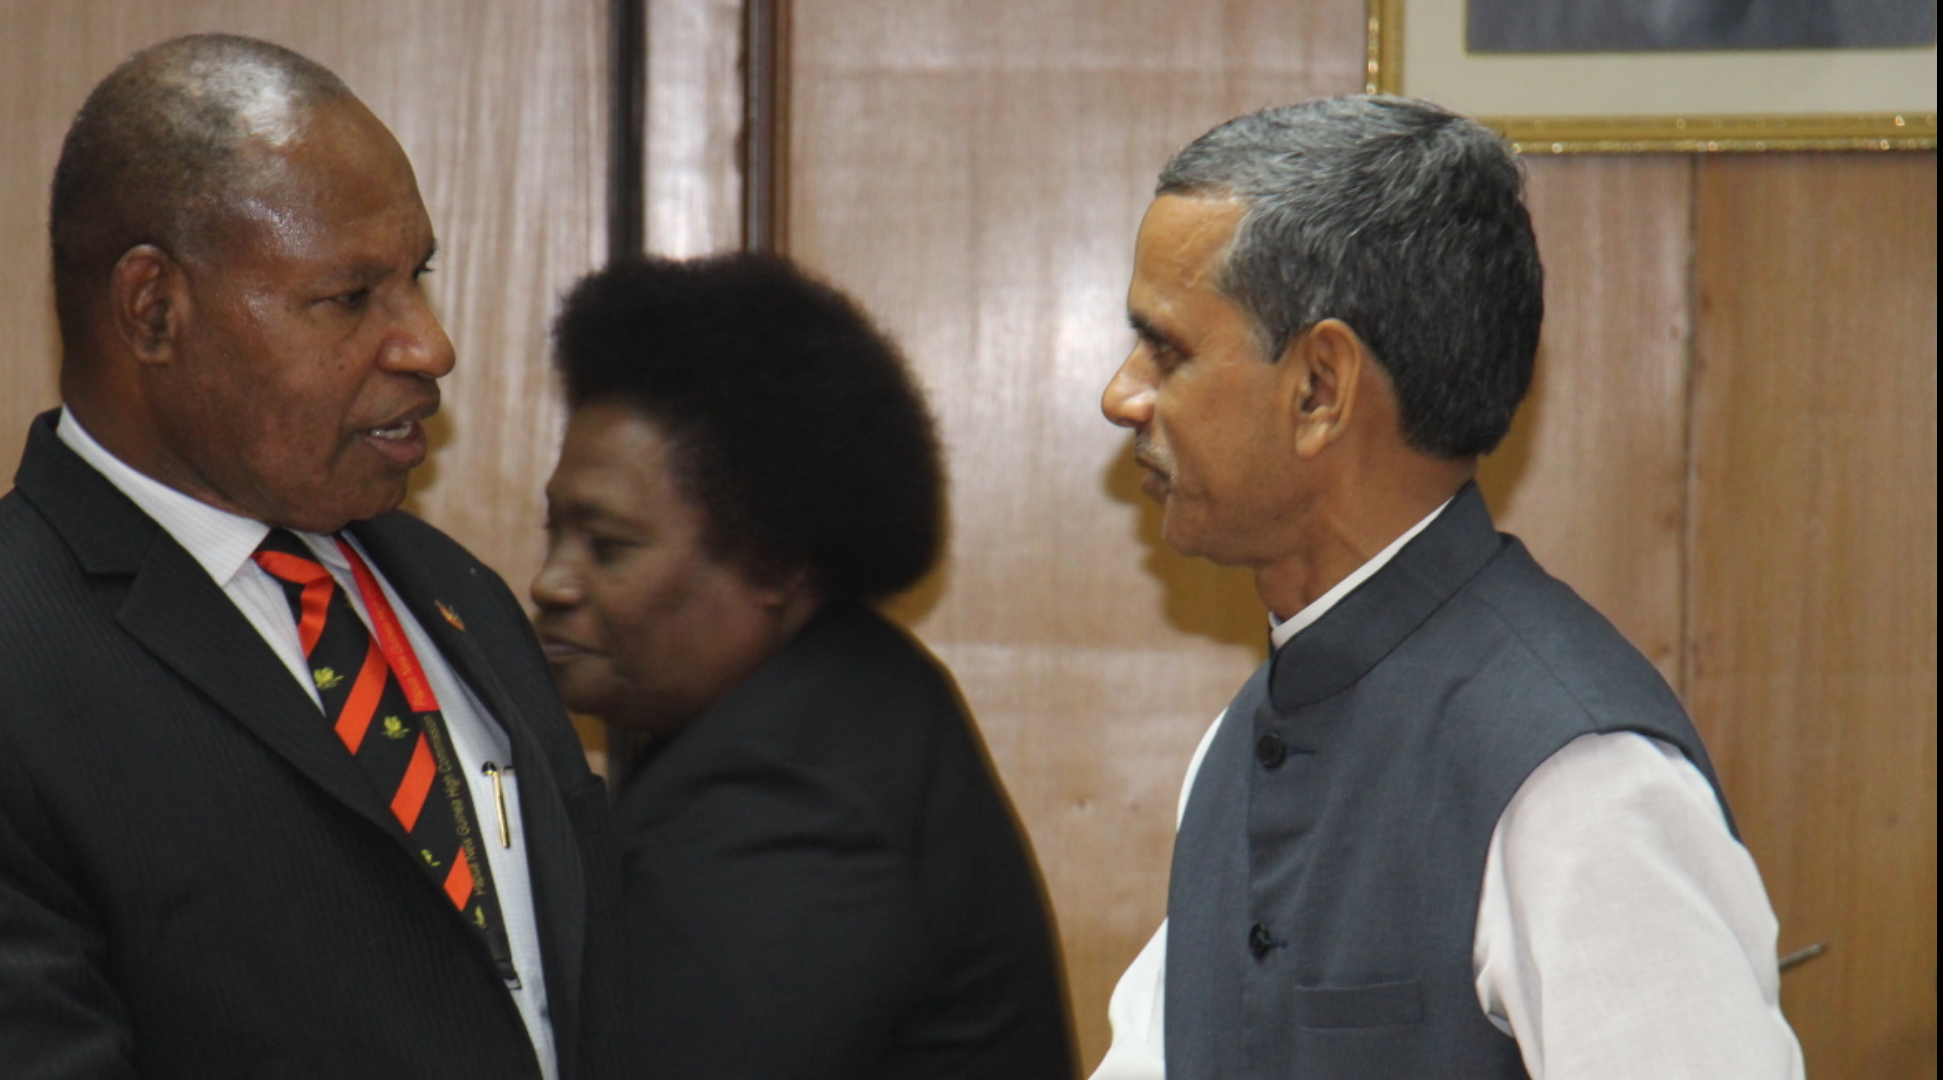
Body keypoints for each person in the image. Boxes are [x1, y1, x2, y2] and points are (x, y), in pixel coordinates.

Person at [0, 34, 623, 1080]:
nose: (429, 345)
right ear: (154, 309)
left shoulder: (463, 597)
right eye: (350, 296)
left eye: (416, 277)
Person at [1091, 97, 1804, 1079]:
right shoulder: (1243, 739)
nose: (1121, 395)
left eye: (1167, 350)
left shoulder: (1575, 777)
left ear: (1320, 389)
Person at [530, 253, 1077, 1080]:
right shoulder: (838, 698)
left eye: (607, 545)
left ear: (774, 564)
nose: (552, 581)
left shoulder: (789, 799)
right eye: (557, 532)